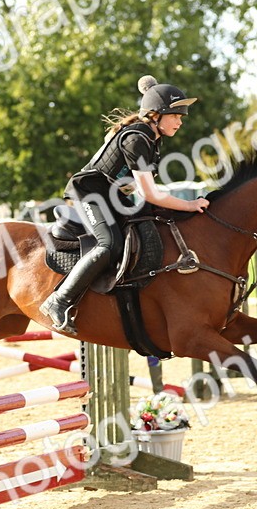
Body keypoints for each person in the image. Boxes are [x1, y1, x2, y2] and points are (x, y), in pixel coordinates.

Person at [40, 75, 210, 335]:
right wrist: (189, 205)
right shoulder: (137, 138)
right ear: (155, 115)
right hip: (89, 195)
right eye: (175, 115)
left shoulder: (153, 139)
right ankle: (59, 300)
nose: (180, 122)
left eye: (181, 117)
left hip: (114, 198)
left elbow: (146, 194)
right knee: (109, 244)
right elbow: (150, 193)